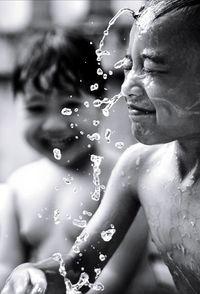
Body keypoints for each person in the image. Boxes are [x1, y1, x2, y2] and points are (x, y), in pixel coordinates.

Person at [0, 28, 150, 293]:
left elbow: (112, 278)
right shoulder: (16, 187)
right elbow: (6, 271)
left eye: (71, 106)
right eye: (36, 108)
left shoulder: (125, 178)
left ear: (102, 102)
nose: (54, 124)